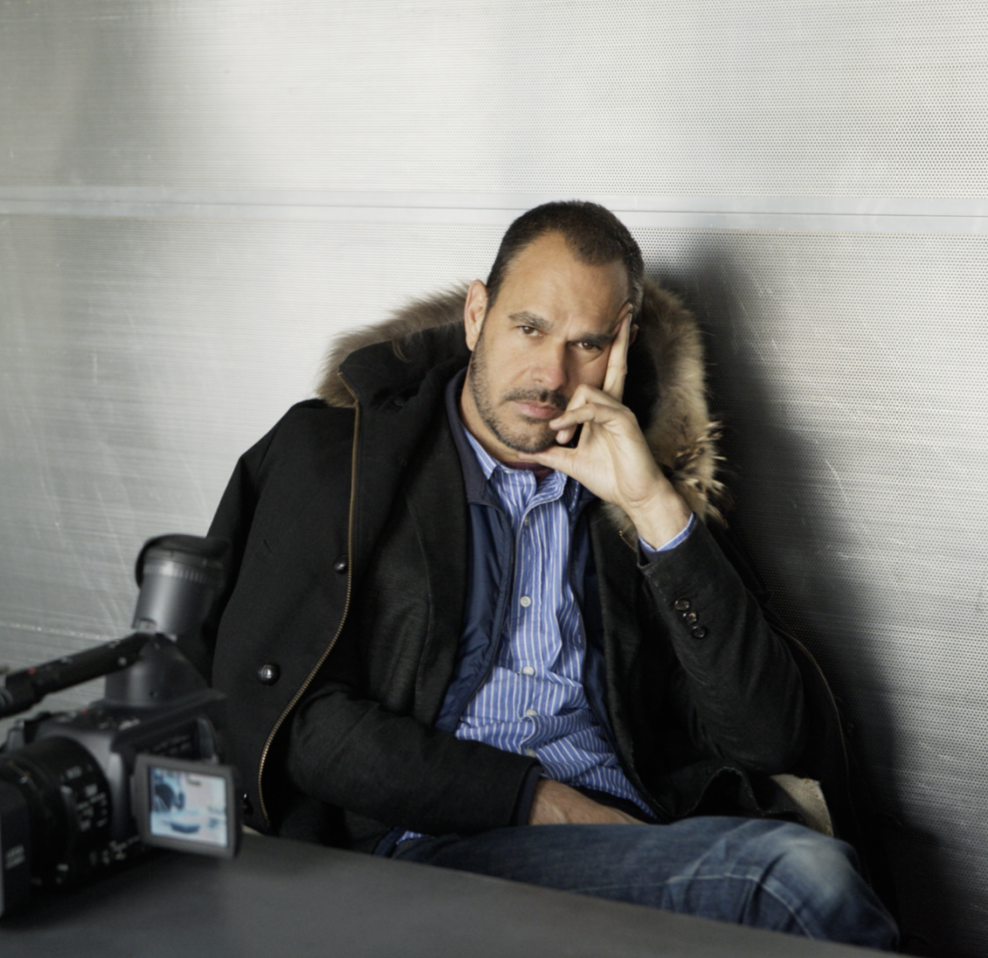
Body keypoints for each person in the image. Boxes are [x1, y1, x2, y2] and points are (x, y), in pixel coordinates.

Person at [203, 201, 898, 947]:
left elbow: (768, 738)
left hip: (640, 838)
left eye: (586, 343)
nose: (551, 375)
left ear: (622, 345)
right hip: (438, 844)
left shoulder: (636, 487)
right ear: (477, 315)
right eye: (528, 328)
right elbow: (296, 717)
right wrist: (537, 801)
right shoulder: (337, 461)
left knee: (801, 873)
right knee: (797, 878)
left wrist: (653, 507)